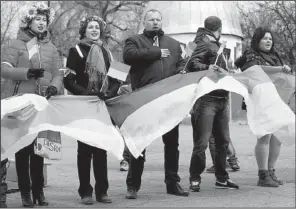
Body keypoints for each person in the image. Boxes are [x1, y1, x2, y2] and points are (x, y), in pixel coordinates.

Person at [122, 9, 189, 199]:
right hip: (144, 101)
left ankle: (172, 183)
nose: (155, 22)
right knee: (139, 144)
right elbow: (128, 57)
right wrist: (156, 52)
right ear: (144, 22)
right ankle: (133, 185)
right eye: (151, 19)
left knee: (171, 145)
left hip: (168, 102)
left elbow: (180, 64)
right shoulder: (134, 40)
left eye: (158, 19)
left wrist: (182, 70)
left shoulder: (174, 44)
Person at [1, 2, 63, 207]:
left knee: (40, 150)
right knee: (23, 151)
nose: (42, 23)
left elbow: (58, 73)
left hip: (43, 104)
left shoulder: (51, 48)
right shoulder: (14, 44)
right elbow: (4, 69)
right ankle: (25, 193)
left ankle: (39, 192)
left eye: (44, 20)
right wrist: (26, 72)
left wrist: (54, 86)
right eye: (38, 19)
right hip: (21, 104)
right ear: (28, 20)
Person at [64, 15, 120, 204]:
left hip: (102, 105)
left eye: (97, 27)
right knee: (85, 150)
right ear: (84, 31)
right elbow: (68, 80)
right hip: (84, 105)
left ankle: (102, 191)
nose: (94, 30)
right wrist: (86, 93)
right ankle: (85, 192)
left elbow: (116, 78)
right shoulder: (76, 50)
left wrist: (109, 92)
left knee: (101, 150)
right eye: (90, 27)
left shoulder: (107, 52)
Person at [186, 16, 239, 192]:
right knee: (201, 142)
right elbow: (192, 63)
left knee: (223, 141)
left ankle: (222, 178)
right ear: (220, 28)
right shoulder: (205, 41)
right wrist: (207, 69)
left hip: (222, 97)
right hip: (208, 99)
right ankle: (195, 178)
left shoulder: (213, 42)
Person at [235, 27, 292, 187]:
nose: (269, 41)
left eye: (270, 39)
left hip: (277, 101)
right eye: (265, 38)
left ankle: (271, 171)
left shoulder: (275, 56)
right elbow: (255, 70)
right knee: (264, 137)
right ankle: (263, 174)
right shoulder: (250, 55)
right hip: (260, 101)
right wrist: (280, 69)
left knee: (278, 137)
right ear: (257, 40)